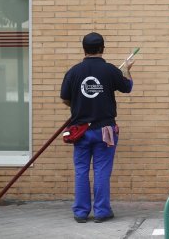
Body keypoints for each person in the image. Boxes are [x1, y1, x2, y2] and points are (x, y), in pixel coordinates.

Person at [60, 32, 134, 223]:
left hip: (80, 131)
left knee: (81, 170)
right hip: (105, 130)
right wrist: (126, 69)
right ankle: (101, 212)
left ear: (84, 49)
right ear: (102, 48)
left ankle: (81, 212)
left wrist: (79, 107)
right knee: (102, 170)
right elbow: (127, 87)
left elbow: (65, 99)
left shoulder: (73, 72)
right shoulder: (110, 71)